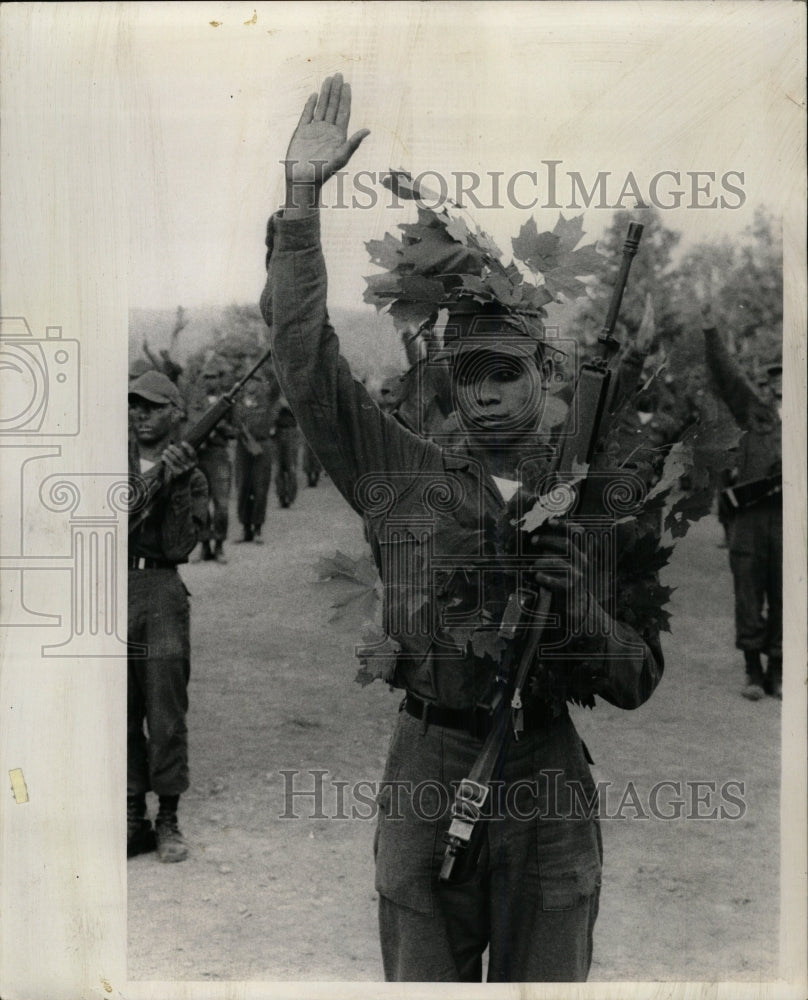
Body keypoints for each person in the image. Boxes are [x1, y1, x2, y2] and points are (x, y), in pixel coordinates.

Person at [259, 75, 665, 983]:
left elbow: (637, 676)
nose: (481, 391)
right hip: (428, 758)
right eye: (465, 371)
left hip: (546, 773)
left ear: (542, 373)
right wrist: (299, 203)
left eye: (502, 371)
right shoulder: (395, 473)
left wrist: (579, 609)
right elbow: (303, 362)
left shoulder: (599, 493)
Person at [127, 370, 208, 862]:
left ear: (175, 414)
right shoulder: (105, 465)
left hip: (159, 591)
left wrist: (175, 485)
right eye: (134, 405)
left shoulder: (191, 474)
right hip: (109, 588)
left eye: (152, 406)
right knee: (118, 709)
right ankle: (131, 814)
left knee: (165, 710)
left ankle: (169, 818)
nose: (140, 414)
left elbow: (180, 545)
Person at [701, 303, 782, 699]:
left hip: (791, 522)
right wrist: (711, 332)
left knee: (787, 595)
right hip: (751, 518)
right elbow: (729, 376)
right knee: (748, 592)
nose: (781, 383)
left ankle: (778, 671)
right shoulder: (757, 415)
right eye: (775, 377)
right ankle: (752, 669)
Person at [187, 361, 236, 562]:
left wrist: (222, 428)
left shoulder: (228, 402)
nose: (209, 381)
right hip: (199, 457)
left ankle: (219, 545)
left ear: (220, 379)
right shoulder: (195, 400)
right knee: (200, 504)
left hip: (218, 456)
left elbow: (237, 430)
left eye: (214, 376)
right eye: (206, 377)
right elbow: (190, 423)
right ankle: (205, 544)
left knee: (222, 505)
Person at [234, 371, 278, 542]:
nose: (253, 384)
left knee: (260, 488)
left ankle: (258, 528)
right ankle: (246, 528)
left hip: (262, 446)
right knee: (243, 487)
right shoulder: (237, 403)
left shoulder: (267, 399)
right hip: (243, 447)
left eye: (257, 380)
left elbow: (276, 384)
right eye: (250, 380)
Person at [271, 396, 300, 508]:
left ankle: (291, 496)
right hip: (277, 433)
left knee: (291, 467)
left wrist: (288, 405)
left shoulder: (294, 396)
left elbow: (300, 414)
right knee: (278, 468)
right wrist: (279, 406)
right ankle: (281, 495)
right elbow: (271, 414)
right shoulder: (275, 398)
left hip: (291, 432)